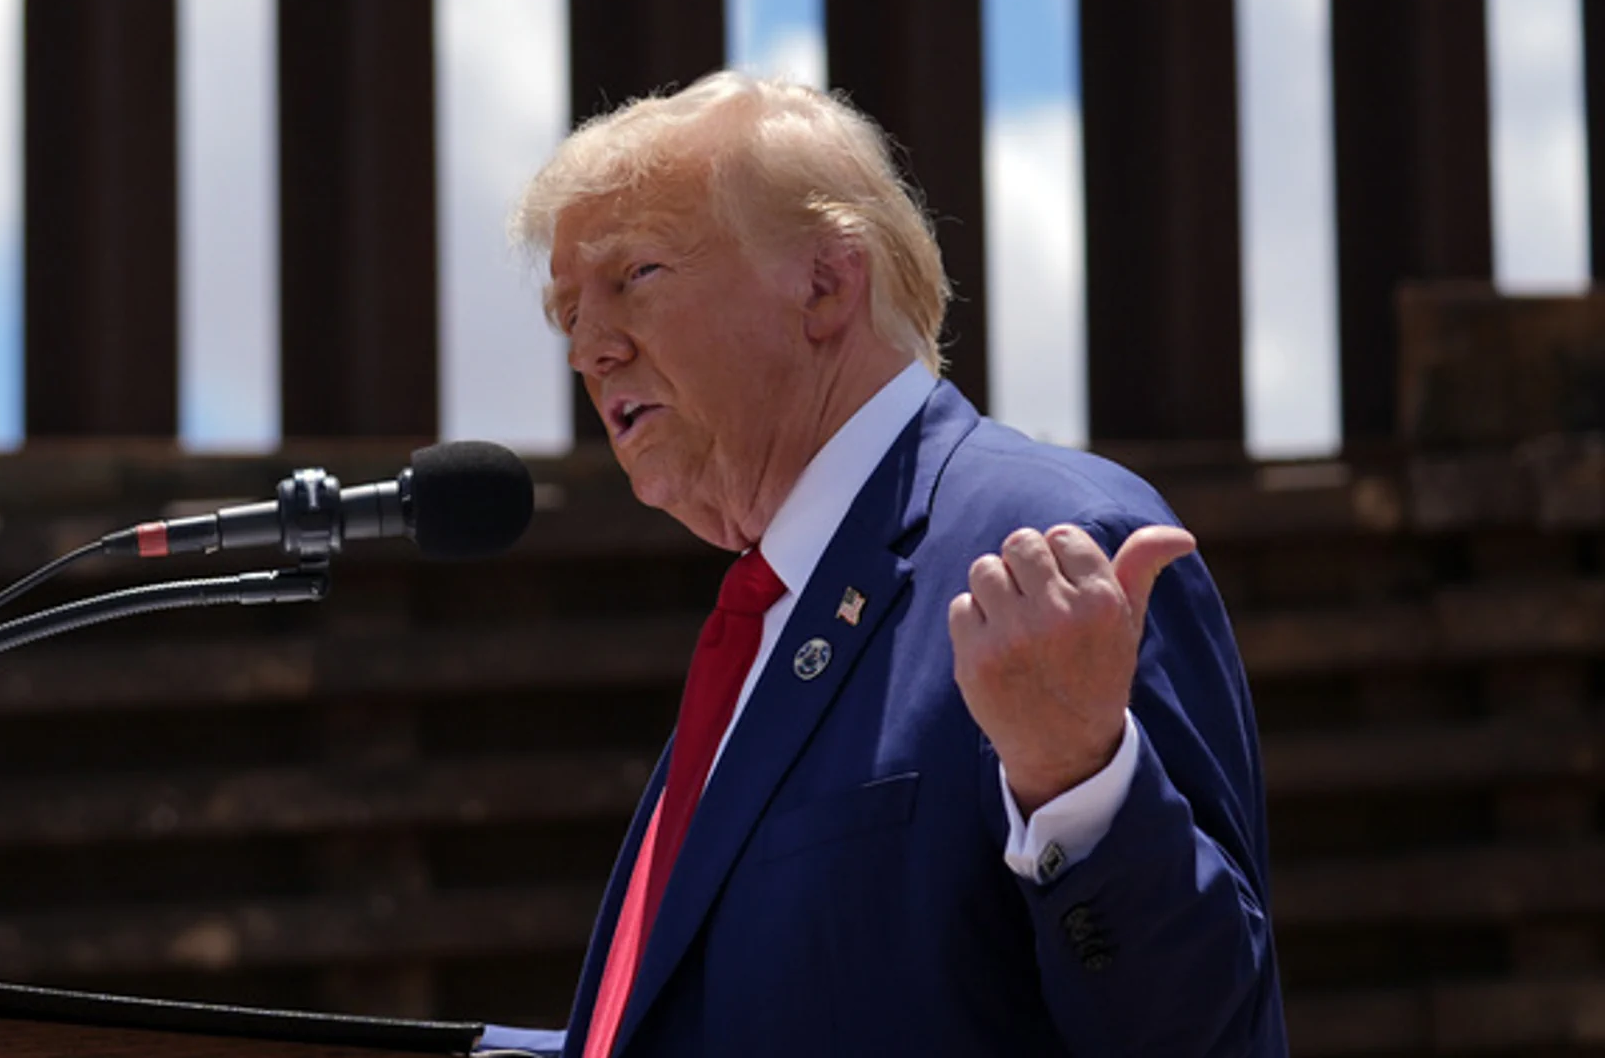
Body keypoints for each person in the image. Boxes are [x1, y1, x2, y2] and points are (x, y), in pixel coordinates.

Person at [476, 72, 1286, 1057]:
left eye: (633, 275)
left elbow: (1203, 1036)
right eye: (567, 313)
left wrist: (1078, 789)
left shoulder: (1052, 543)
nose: (588, 350)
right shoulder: (771, 614)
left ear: (825, 285)